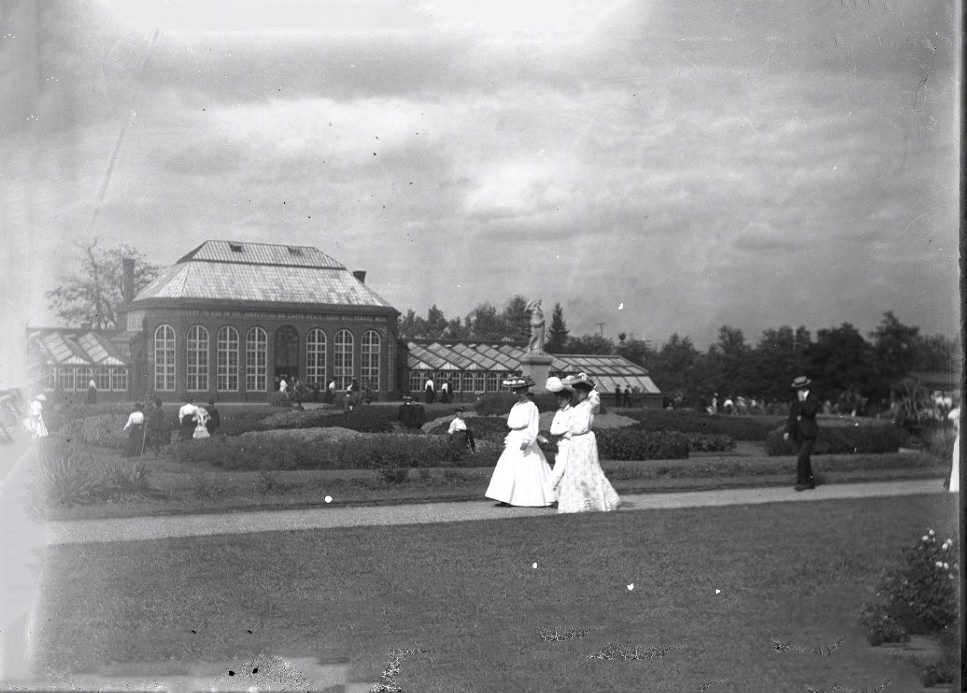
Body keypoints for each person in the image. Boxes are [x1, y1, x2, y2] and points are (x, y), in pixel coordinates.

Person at [550, 373, 620, 514]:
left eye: (581, 391)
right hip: (575, 441)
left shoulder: (590, 404)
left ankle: (595, 500)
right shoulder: (577, 407)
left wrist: (593, 392)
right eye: (577, 392)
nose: (578, 394)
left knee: (588, 470)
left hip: (585, 440)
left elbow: (596, 405)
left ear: (586, 392)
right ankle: (577, 502)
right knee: (575, 471)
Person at [484, 376, 555, 507]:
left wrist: (527, 440)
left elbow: (533, 425)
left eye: (521, 391)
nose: (519, 394)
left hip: (524, 437)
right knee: (508, 468)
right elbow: (512, 423)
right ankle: (507, 497)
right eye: (516, 391)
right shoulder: (516, 406)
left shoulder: (531, 406)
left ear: (526, 391)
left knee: (526, 467)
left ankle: (530, 498)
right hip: (514, 437)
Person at [783, 376, 819, 491]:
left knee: (802, 457)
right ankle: (810, 481)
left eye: (799, 388)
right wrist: (787, 431)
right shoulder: (795, 401)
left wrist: (802, 402)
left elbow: (810, 412)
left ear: (804, 387)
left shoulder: (812, 398)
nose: (798, 390)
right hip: (799, 433)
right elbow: (792, 417)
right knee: (805, 458)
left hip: (809, 433)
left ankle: (801, 482)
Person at [947, 406, 959, 493]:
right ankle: (955, 487)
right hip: (959, 442)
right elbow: (950, 415)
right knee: (956, 466)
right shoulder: (958, 415)